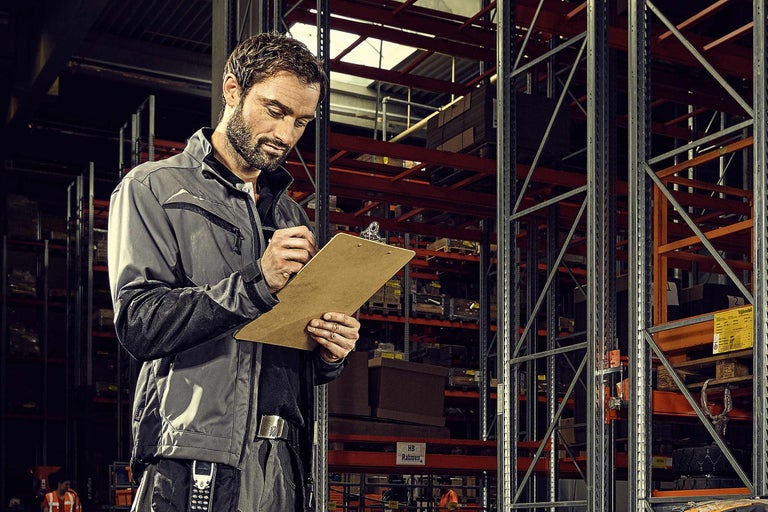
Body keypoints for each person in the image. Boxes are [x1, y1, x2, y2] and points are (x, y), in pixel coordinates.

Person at [107, 32, 360, 512]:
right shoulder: (153, 188)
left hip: (284, 460)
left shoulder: (290, 216)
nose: (285, 135)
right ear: (232, 89)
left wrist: (330, 349)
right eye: (275, 111)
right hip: (194, 454)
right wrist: (256, 282)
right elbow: (140, 323)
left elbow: (283, 353)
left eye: (301, 122)